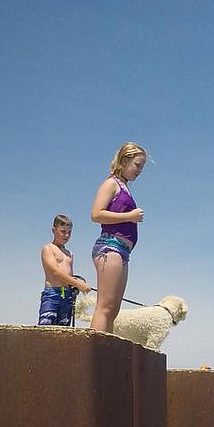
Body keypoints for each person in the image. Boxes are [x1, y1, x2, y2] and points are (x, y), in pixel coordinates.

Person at [90, 143, 148, 333]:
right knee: (105, 306)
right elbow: (96, 214)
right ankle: (95, 351)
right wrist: (129, 217)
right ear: (124, 161)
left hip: (123, 252)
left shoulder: (125, 187)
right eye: (137, 165)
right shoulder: (111, 184)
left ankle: (105, 349)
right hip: (110, 246)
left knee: (113, 310)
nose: (140, 171)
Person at [38, 214, 91, 326]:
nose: (66, 235)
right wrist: (79, 284)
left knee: (64, 332)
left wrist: (75, 284)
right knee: (45, 329)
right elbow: (55, 272)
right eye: (63, 231)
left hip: (67, 295)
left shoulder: (70, 254)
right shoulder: (48, 249)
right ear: (54, 230)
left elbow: (69, 276)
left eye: (69, 232)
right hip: (52, 294)